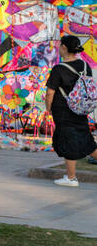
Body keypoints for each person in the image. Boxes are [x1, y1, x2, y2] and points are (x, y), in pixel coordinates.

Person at [46, 34, 96, 187]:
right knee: (86, 140)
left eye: (60, 45)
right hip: (81, 109)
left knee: (68, 140)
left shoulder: (58, 69)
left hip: (63, 110)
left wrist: (48, 109)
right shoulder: (84, 65)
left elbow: (50, 93)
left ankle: (71, 178)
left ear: (64, 48)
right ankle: (71, 176)